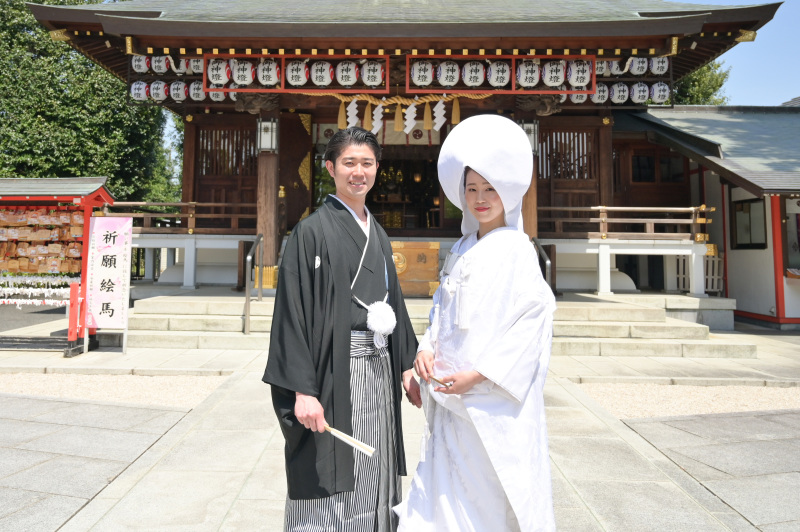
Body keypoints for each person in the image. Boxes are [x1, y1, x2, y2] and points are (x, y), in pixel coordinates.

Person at [394, 115, 557, 531]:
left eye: (489, 189)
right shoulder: (463, 247)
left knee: (483, 496)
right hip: (448, 393)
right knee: (444, 490)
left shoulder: (518, 251)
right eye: (471, 189)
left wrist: (479, 375)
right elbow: (441, 310)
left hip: (487, 400)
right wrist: (426, 348)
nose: (480, 198)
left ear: (506, 192)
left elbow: (532, 321)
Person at [263, 126, 422, 532]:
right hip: (333, 373)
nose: (358, 172)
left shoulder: (379, 233)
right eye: (349, 163)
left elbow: (394, 306)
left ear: (376, 170)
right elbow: (291, 313)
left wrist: (406, 365)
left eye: (366, 163)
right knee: (329, 466)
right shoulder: (311, 231)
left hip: (378, 370)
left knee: (376, 462)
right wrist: (303, 390)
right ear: (331, 168)